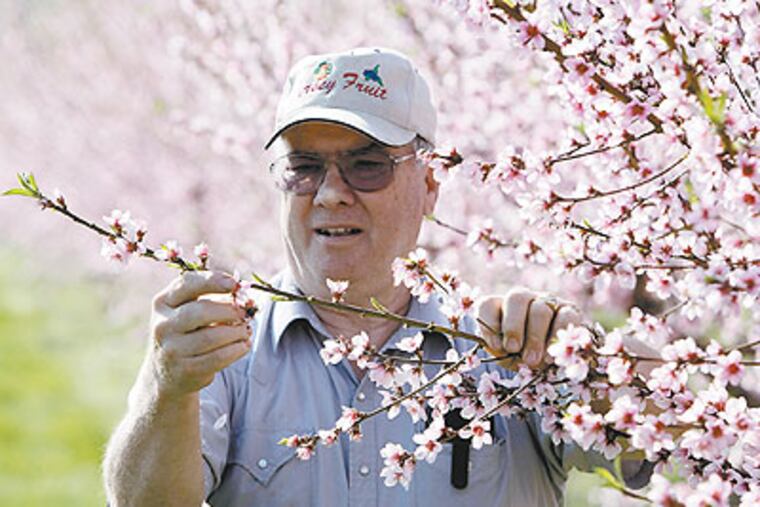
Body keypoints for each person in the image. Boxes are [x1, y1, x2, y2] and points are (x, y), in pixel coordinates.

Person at [102, 47, 651, 507]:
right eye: (304, 168)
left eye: (368, 165)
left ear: (430, 184)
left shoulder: (508, 346)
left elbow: (660, 445)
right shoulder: (224, 350)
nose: (331, 192)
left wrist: (591, 367)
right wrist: (166, 390)